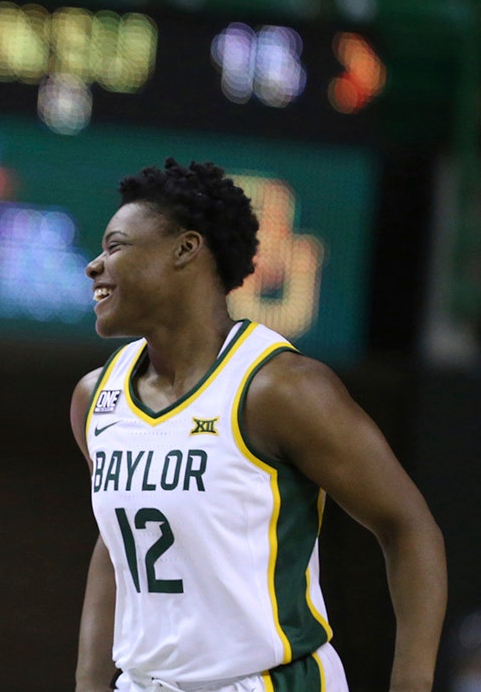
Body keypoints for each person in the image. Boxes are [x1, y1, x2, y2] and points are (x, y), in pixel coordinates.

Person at [69, 159, 447, 692]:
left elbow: (409, 528)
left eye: (116, 246)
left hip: (267, 681)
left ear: (186, 249)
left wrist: (412, 683)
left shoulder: (280, 389)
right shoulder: (96, 397)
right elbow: (116, 548)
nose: (95, 266)